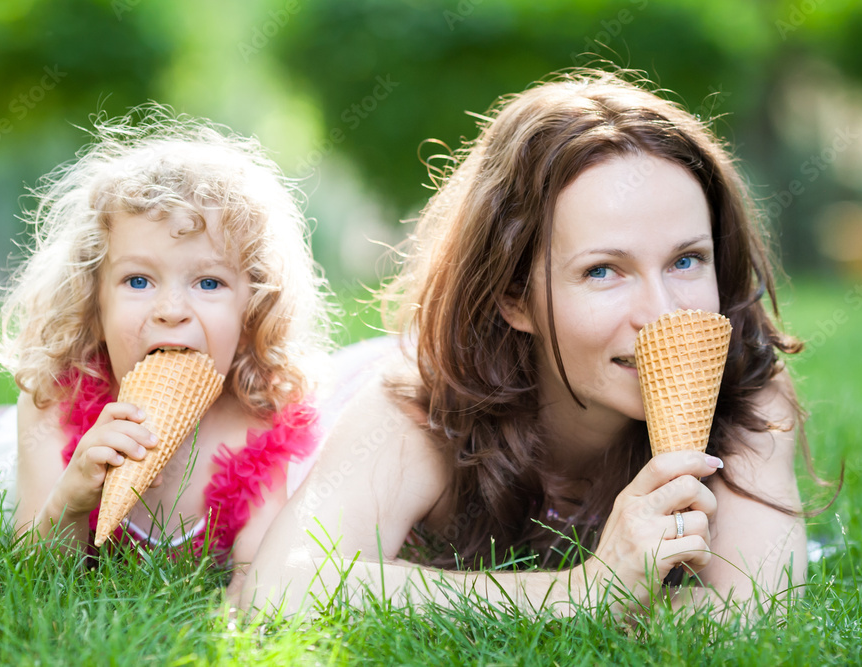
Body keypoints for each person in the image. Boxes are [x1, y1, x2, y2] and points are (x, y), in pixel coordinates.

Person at [236, 69, 819, 620]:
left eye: (687, 260)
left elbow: (756, 608)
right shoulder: (423, 404)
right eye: (602, 271)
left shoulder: (746, 391)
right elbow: (279, 586)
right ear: (514, 296)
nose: (664, 316)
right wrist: (581, 591)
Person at [0, 107, 332, 567]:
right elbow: (39, 570)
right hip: (28, 460)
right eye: (139, 281)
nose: (170, 311)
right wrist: (72, 497)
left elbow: (257, 573)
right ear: (93, 299)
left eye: (209, 283)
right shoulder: (55, 402)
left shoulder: (263, 423)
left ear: (253, 309)